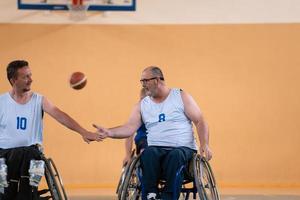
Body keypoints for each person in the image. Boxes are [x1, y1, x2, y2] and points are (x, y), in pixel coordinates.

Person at [94, 66, 212, 200]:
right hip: (156, 149)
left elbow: (200, 121)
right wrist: (109, 132)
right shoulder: (142, 105)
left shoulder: (180, 96)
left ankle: (168, 197)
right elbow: (129, 128)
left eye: (145, 81)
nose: (143, 85)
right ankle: (151, 195)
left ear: (157, 80)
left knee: (175, 155)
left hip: (182, 149)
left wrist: (205, 144)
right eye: (141, 81)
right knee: (148, 153)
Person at [0, 60, 101, 200]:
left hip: (31, 156)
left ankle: (28, 194)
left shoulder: (39, 100)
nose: (31, 80)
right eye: (26, 77)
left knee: (30, 154)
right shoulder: (2, 102)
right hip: (5, 158)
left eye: (30, 75)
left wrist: (83, 132)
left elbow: (60, 116)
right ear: (13, 80)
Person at [122, 88, 147, 165]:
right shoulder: (138, 111)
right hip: (143, 139)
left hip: (158, 139)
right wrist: (128, 155)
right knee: (147, 151)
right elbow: (129, 134)